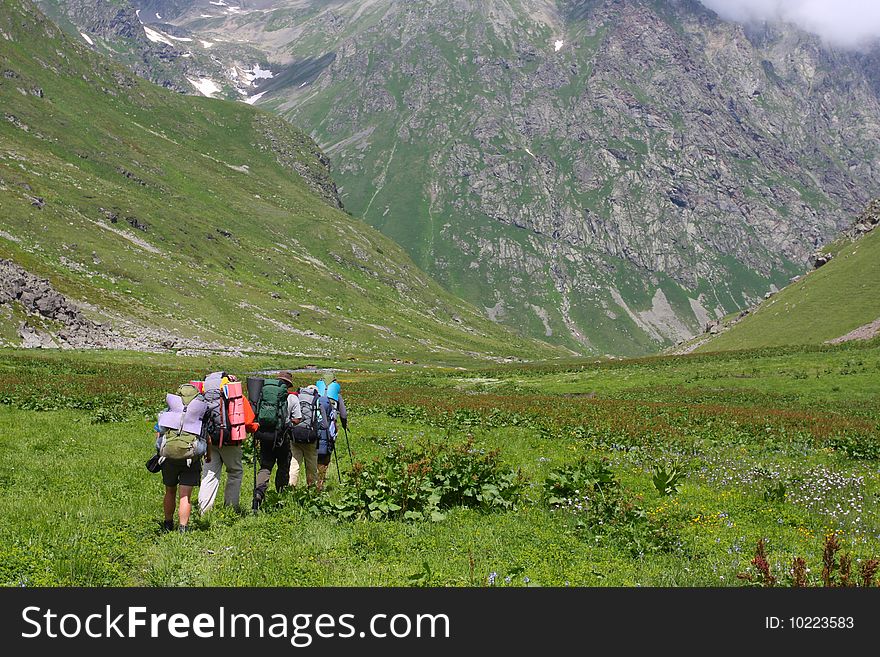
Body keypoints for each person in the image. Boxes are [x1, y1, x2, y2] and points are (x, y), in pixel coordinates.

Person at [198, 374, 259, 515]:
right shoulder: (236, 397)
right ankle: (231, 508)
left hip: (210, 441)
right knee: (235, 472)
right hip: (232, 441)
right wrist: (254, 428)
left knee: (209, 474)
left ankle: (204, 510)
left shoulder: (206, 395)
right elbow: (248, 422)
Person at [154, 382, 209, 533]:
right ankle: (183, 529)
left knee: (169, 491)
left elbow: (159, 432)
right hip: (190, 458)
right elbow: (206, 436)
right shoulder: (200, 411)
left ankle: (167, 524)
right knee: (185, 496)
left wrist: (159, 450)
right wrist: (208, 455)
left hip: (169, 457)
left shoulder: (171, 409)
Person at [251, 371, 298, 512]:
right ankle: (280, 494)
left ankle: (259, 492)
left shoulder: (264, 395)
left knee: (265, 467)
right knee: (283, 466)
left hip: (265, 435)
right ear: (288, 385)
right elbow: (297, 419)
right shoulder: (291, 399)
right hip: (282, 437)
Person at [316, 370, 348, 491]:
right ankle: (320, 483)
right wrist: (344, 426)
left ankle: (312, 482)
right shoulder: (337, 396)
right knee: (325, 456)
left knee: (313, 454)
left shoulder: (316, 393)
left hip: (314, 427)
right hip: (329, 429)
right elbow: (343, 415)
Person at [289, 383, 320, 489]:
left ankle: (291, 486)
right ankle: (312, 488)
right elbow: (321, 422)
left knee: (294, 463)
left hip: (295, 435)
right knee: (311, 464)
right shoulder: (316, 400)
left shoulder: (296, 397)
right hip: (310, 437)